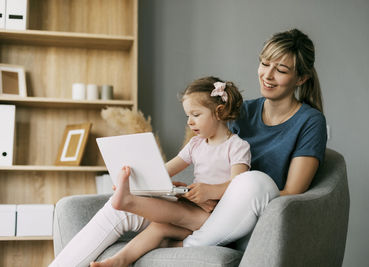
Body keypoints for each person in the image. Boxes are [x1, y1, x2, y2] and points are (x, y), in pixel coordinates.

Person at [50, 76, 254, 267]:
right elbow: (164, 170)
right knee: (159, 227)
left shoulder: (236, 146)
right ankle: (120, 260)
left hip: (217, 218)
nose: (189, 122)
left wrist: (210, 191)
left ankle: (128, 201)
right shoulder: (196, 145)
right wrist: (149, 183)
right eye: (187, 116)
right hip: (195, 210)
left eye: (196, 115)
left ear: (219, 112)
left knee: (170, 214)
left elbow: (240, 188)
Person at [180, 28, 327, 247]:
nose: (268, 75)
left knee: (253, 181)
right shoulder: (242, 111)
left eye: (281, 70)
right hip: (218, 210)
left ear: (301, 79)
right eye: (265, 64)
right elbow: (213, 161)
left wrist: (218, 191)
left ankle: (187, 246)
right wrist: (190, 192)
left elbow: (292, 192)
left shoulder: (310, 122)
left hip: (261, 215)